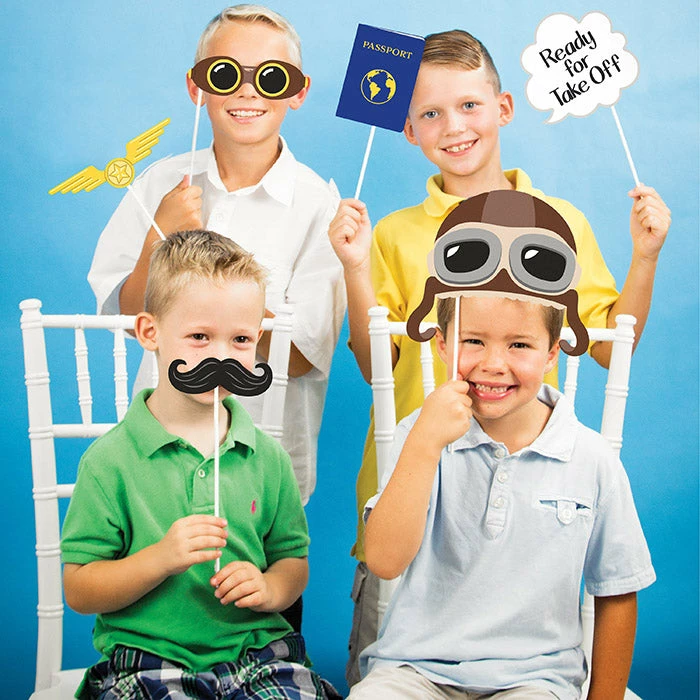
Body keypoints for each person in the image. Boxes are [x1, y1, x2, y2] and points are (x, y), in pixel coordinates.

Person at [327, 29, 670, 685]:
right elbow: (375, 365)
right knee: (386, 666)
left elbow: (607, 346)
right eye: (430, 113)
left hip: (527, 495)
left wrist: (645, 258)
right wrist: (354, 267)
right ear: (407, 130)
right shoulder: (392, 233)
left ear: (503, 108)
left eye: (469, 106)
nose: (453, 127)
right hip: (416, 483)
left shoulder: (558, 222)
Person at [62, 230, 340, 700]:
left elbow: (292, 561)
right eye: (199, 337)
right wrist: (159, 558)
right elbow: (80, 590)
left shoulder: (268, 458)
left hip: (258, 656)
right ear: (150, 332)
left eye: (240, 339)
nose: (221, 357)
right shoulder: (110, 462)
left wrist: (270, 588)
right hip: (149, 660)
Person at [88, 4, 345, 505]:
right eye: (226, 74)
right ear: (197, 87)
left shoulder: (320, 207)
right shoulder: (160, 185)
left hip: (262, 474)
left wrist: (218, 308)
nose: (247, 92)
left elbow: (301, 356)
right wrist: (159, 238)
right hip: (153, 460)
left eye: (271, 77)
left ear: (297, 92)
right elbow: (129, 316)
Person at [349, 289, 655, 700]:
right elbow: (384, 561)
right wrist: (425, 443)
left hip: (535, 679)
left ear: (552, 354)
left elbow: (617, 590)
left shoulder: (591, 457)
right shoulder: (417, 434)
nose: (494, 364)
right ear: (442, 344)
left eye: (519, 345)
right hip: (413, 670)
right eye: (473, 340)